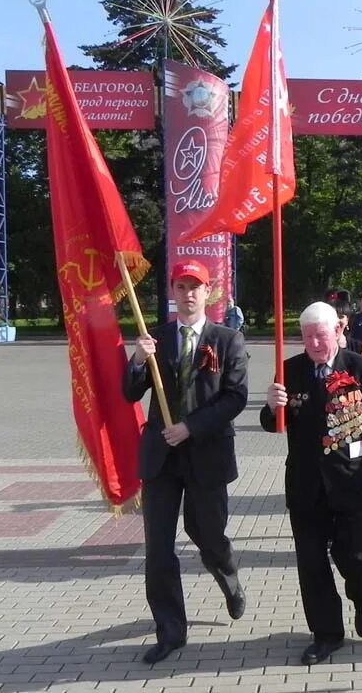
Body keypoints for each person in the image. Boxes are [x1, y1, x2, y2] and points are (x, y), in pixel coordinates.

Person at [261, 301, 362, 666]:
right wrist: (270, 404)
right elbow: (271, 424)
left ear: (338, 332)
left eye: (320, 336)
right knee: (311, 564)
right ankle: (326, 634)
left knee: (354, 556)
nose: (314, 344)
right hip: (306, 486)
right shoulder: (289, 371)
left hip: (352, 483)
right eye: (307, 337)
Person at [123, 259, 248, 665]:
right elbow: (128, 393)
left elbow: (235, 396)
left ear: (208, 292)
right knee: (159, 549)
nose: (189, 293)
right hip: (161, 458)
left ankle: (227, 576)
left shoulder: (228, 339)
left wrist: (190, 428)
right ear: (173, 292)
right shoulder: (154, 338)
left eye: (196, 286)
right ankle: (171, 632)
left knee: (207, 534)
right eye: (181, 286)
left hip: (206, 454)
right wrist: (138, 361)